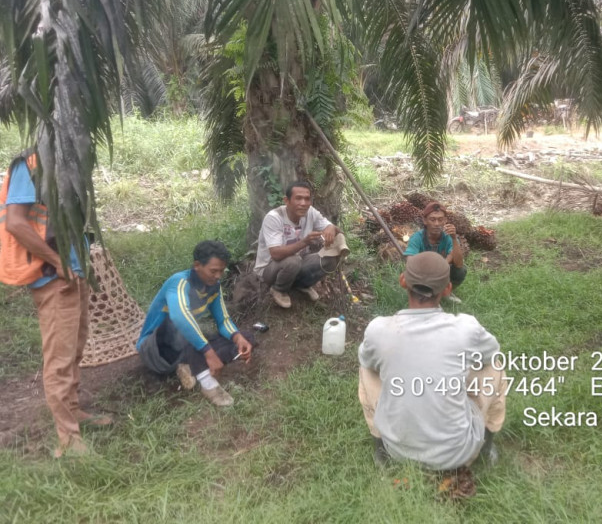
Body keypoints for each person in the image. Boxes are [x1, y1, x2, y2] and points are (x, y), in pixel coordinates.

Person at [0, 149, 110, 458]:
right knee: (59, 359)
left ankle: (74, 412)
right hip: (53, 275)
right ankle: (68, 438)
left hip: (73, 272)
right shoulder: (30, 163)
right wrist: (57, 262)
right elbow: (16, 224)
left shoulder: (67, 159)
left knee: (74, 349)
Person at [358, 252, 506, 470]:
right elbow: (490, 354)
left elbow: (369, 361)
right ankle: (486, 445)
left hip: (398, 451)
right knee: (495, 365)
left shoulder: (379, 330)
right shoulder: (466, 328)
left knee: (367, 367)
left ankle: (381, 446)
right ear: (447, 289)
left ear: (403, 281)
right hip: (458, 453)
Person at [136, 240, 254, 407]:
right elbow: (180, 318)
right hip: (155, 351)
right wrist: (209, 353)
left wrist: (237, 337)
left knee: (247, 336)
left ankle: (190, 366)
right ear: (197, 265)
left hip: (182, 348)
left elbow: (223, 320)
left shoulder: (214, 286)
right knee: (182, 323)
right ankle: (208, 384)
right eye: (213, 271)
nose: (218, 276)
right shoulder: (179, 282)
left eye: (221, 271)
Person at [253, 181, 348, 309]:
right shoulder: (274, 217)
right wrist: (304, 242)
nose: (303, 203)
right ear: (287, 200)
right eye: (298, 198)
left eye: (307, 199)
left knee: (330, 259)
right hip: (269, 269)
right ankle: (279, 289)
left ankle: (301, 285)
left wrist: (331, 227)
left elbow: (333, 227)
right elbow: (275, 254)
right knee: (293, 260)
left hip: (297, 262)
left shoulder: (310, 212)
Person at [403, 202, 466, 303]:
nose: (437, 224)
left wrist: (454, 239)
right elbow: (410, 260)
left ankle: (444, 292)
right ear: (425, 221)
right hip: (422, 273)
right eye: (432, 219)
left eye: (440, 220)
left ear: (445, 221)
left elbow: (459, 263)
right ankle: (424, 294)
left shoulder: (449, 236)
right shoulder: (417, 238)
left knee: (460, 271)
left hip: (441, 270)